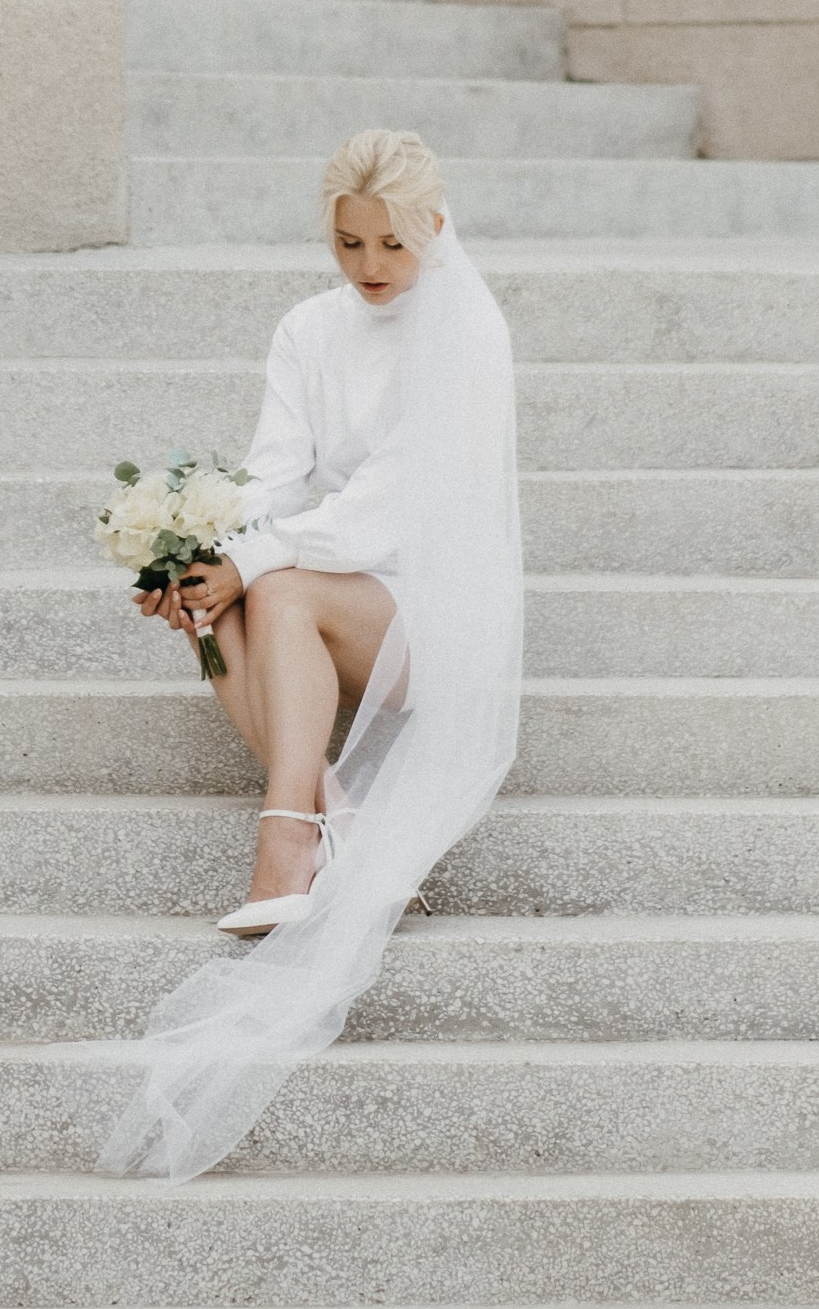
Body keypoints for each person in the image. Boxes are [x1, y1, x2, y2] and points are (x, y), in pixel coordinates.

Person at [100, 128, 523, 1182]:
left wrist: (259, 556)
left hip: (433, 609)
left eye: (390, 242)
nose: (371, 266)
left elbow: (395, 506)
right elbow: (275, 475)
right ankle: (329, 814)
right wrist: (195, 549)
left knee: (272, 584)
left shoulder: (466, 330)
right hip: (330, 584)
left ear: (434, 225)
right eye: (347, 243)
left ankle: (288, 835)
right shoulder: (306, 329)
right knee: (224, 604)